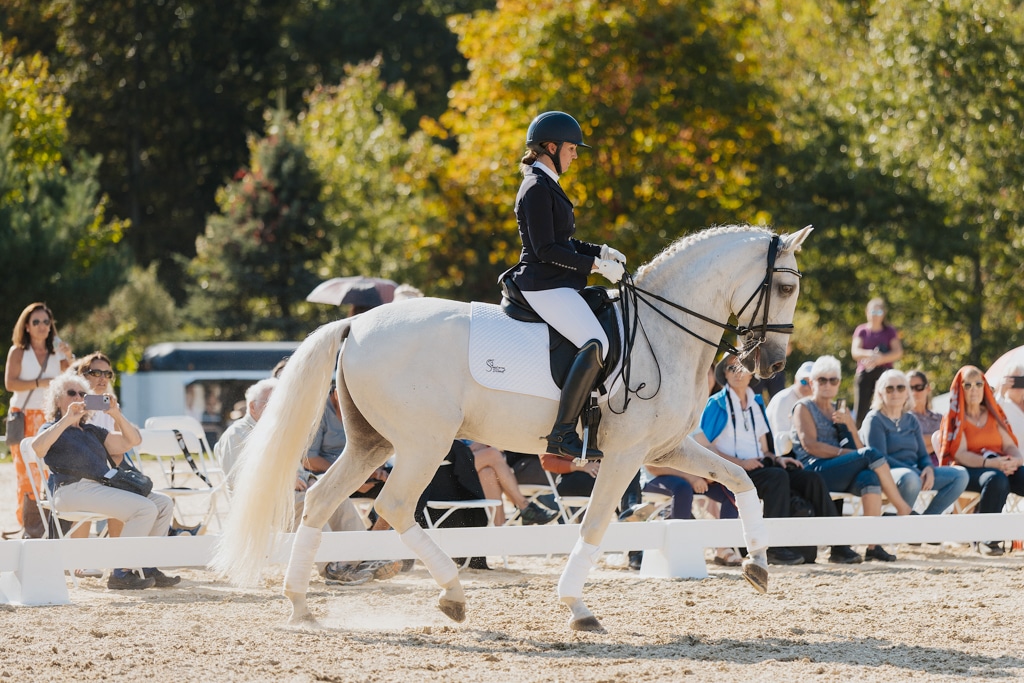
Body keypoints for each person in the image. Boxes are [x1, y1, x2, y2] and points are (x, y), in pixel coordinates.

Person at [500, 111, 626, 459]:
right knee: (595, 340)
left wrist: (599, 250)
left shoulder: (547, 184)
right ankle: (562, 433)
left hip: (557, 282)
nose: (575, 155)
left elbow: (564, 242)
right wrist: (595, 266)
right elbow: (545, 249)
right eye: (572, 148)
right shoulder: (536, 187)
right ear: (550, 147)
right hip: (542, 285)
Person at [216, 378, 399, 584]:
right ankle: (333, 566)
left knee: (333, 495)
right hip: (265, 505)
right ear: (253, 406)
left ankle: (362, 558)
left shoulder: (277, 433)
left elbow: (300, 471)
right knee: (309, 506)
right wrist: (283, 481)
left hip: (292, 497)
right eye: (274, 402)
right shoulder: (237, 434)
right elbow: (239, 482)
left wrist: (312, 481)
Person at [697, 355, 861, 565]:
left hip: (759, 464)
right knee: (777, 478)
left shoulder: (756, 402)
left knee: (810, 478)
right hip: (733, 469)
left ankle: (838, 546)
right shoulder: (717, 403)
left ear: (751, 373)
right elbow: (705, 446)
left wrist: (777, 458)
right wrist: (740, 463)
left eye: (743, 367)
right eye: (731, 368)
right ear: (725, 374)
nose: (737, 372)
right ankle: (774, 548)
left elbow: (765, 449)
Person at [30, 372, 179, 589]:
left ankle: (146, 566)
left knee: (163, 503)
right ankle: (120, 573)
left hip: (99, 487)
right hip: (71, 490)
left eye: (83, 394)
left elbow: (133, 441)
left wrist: (116, 414)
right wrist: (66, 420)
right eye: (71, 393)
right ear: (57, 400)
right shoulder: (51, 427)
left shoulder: (92, 431)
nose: (78, 397)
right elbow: (38, 448)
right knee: (145, 509)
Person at [791, 355, 913, 562]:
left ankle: (873, 546)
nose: (828, 385)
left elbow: (857, 447)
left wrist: (850, 426)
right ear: (812, 383)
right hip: (814, 471)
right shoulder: (803, 407)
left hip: (838, 469)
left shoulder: (840, 410)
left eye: (833, 380)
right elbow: (810, 445)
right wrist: (848, 455)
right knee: (871, 454)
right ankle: (902, 508)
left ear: (838, 383)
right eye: (822, 380)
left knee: (870, 478)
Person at [936, 366, 1024, 556]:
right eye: (968, 385)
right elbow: (959, 453)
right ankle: (986, 539)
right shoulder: (955, 416)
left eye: (978, 384)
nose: (974, 389)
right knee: (997, 479)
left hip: (999, 463)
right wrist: (992, 464)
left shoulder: (993, 413)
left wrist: (1015, 460)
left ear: (985, 386)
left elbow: (1009, 445)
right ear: (960, 388)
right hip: (968, 469)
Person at [5, 303, 75, 537]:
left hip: (49, 417)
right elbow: (10, 383)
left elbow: (73, 380)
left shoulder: (56, 353)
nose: (42, 326)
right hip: (24, 417)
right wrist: (40, 383)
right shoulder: (18, 351)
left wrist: (69, 356)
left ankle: (46, 525)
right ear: (26, 326)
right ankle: (29, 526)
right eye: (36, 322)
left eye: (46, 321)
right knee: (26, 473)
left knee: (48, 472)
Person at [860, 369, 968, 516]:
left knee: (960, 475)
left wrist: (928, 469)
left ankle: (925, 522)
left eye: (900, 388)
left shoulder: (911, 420)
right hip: (890, 474)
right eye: (889, 388)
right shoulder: (874, 419)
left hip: (915, 472)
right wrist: (915, 471)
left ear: (906, 393)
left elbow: (923, 454)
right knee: (911, 478)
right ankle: (905, 521)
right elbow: (880, 458)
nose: (895, 393)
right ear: (880, 393)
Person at [466, 442, 557, 526]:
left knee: (487, 473)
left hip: (474, 461)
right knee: (493, 454)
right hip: (455, 464)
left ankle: (499, 527)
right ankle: (525, 506)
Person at [851, 297, 903, 428]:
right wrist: (870, 354)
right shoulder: (862, 330)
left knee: (886, 407)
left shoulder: (889, 331)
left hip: (884, 375)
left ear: (883, 314)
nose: (875, 316)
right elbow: (855, 352)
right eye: (873, 312)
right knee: (861, 410)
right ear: (867, 312)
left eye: (878, 313)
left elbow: (898, 352)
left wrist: (881, 358)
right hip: (865, 374)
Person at [766, 360, 815, 456]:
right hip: (777, 453)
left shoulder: (812, 400)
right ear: (795, 380)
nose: (807, 387)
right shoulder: (784, 399)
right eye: (803, 381)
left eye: (811, 383)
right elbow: (780, 439)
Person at [908, 369, 944, 466]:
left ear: (928, 388)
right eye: (910, 388)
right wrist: (941, 438)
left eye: (918, 387)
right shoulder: (905, 418)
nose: (914, 393)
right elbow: (913, 445)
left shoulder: (940, 418)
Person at [995, 363, 1024, 441]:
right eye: (1013, 380)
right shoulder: (1002, 403)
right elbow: (992, 414)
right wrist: (1001, 392)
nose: (1018, 385)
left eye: (1021, 380)